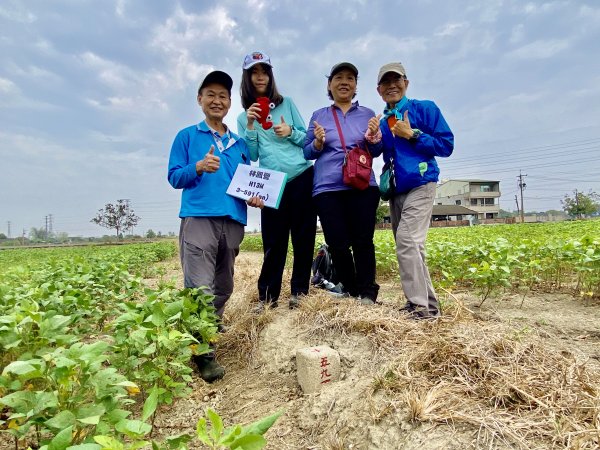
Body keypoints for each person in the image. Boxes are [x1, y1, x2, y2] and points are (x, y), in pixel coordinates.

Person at [168, 70, 263, 382]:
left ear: (230, 102)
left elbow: (249, 181)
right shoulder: (187, 136)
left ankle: (206, 327)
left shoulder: (238, 144)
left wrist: (255, 196)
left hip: (233, 221)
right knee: (200, 289)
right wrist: (197, 167)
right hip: (198, 218)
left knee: (224, 286)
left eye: (223, 96)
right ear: (200, 100)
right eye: (210, 94)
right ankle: (203, 352)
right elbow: (174, 177)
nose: (217, 100)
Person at [237, 51, 317, 311]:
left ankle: (299, 293)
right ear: (247, 78)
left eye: (264, 72)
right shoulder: (243, 118)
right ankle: (267, 297)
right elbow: (252, 155)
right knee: (273, 243)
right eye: (254, 72)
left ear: (270, 76)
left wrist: (290, 131)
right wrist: (250, 125)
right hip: (271, 185)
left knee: (303, 239)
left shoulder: (287, 103)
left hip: (301, 176)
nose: (260, 77)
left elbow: (308, 139)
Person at [376, 62, 454, 319]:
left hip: (422, 183)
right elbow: (379, 152)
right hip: (397, 190)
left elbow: (446, 145)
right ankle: (428, 306)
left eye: (396, 80)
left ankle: (420, 308)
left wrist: (413, 134)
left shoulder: (424, 108)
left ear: (406, 83)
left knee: (407, 242)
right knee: (413, 247)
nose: (392, 86)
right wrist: (372, 137)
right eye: (386, 83)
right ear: (379, 90)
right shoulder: (383, 120)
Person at [303, 62, 383, 304]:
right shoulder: (319, 116)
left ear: (356, 85)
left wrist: (374, 138)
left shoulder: (368, 114)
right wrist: (317, 143)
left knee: (363, 241)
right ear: (330, 84)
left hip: (363, 185)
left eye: (350, 78)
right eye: (338, 77)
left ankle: (368, 292)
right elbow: (307, 152)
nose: (344, 82)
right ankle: (350, 288)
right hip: (327, 188)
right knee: (337, 243)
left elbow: (377, 150)